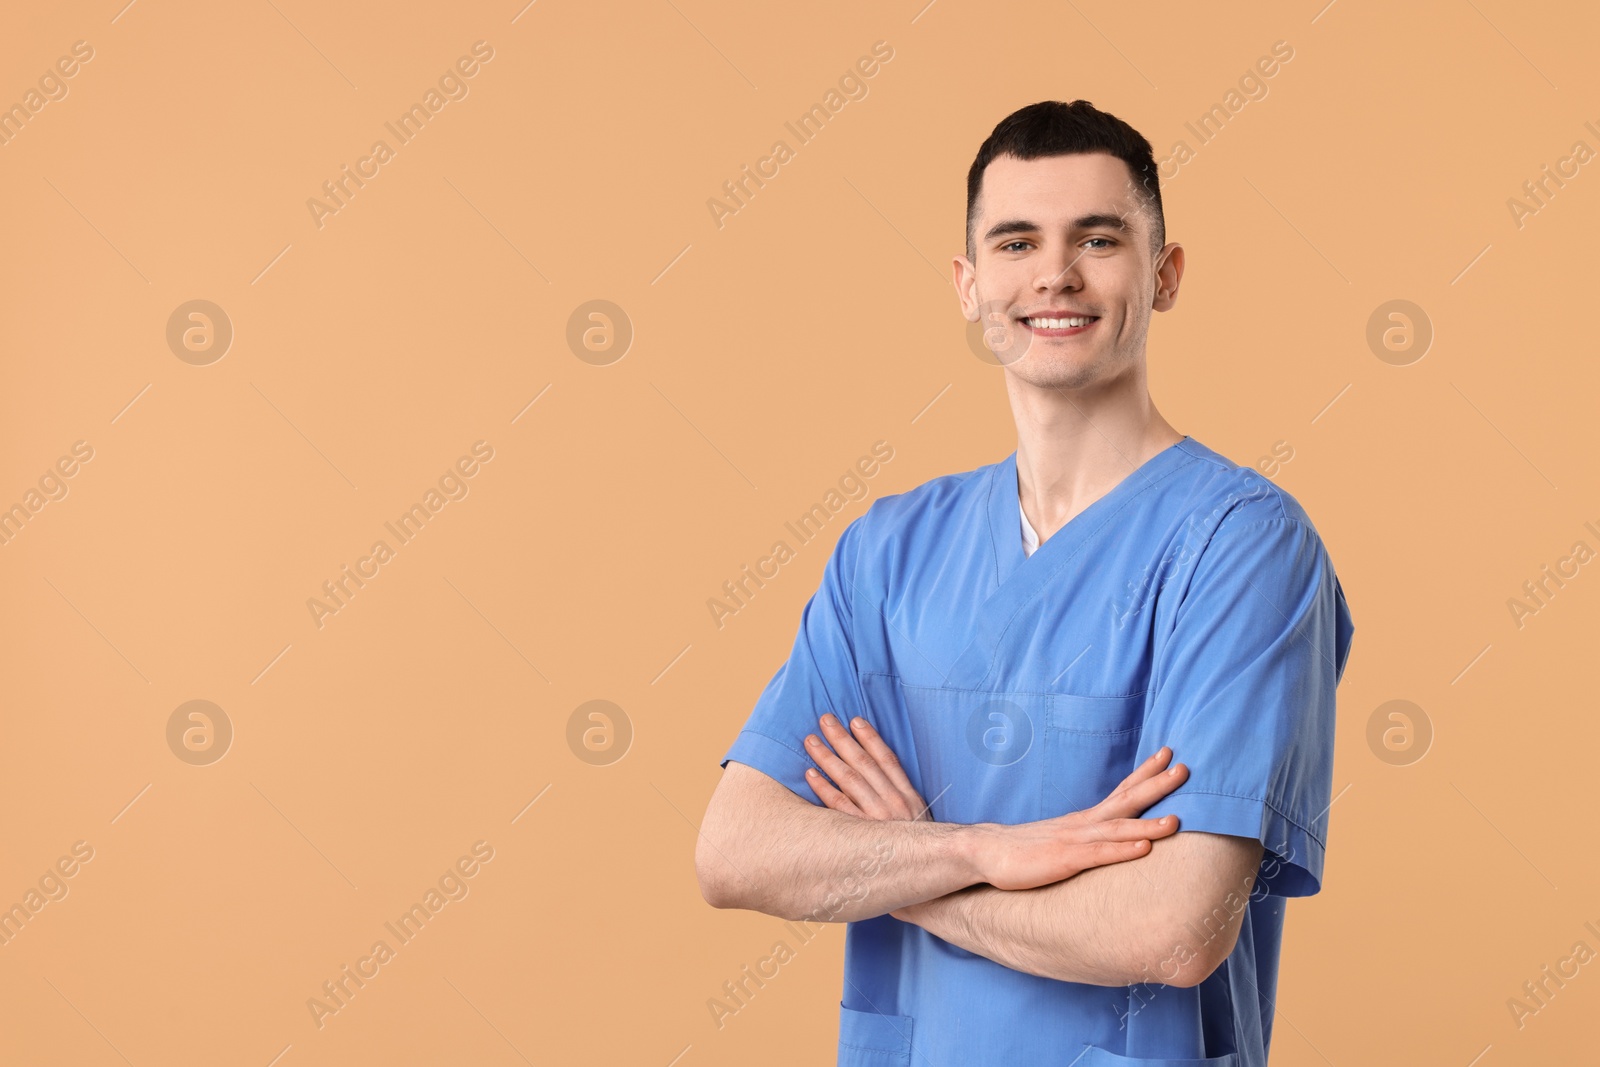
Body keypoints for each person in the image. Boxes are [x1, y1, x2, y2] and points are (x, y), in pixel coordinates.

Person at [696, 99, 1355, 1067]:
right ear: (967, 286)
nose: (1054, 273)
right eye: (1015, 242)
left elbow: (1172, 928)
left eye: (1098, 238)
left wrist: (903, 868)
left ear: (1164, 275)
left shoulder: (1242, 549)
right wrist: (980, 849)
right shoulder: (889, 553)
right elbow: (735, 850)